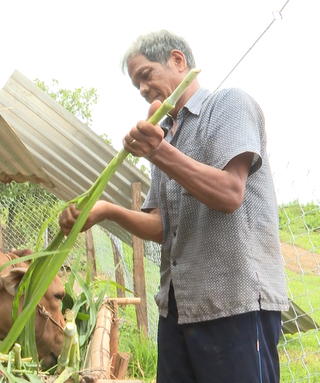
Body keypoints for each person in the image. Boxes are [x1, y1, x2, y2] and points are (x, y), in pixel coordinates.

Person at [59, 30, 288, 383]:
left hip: (234, 302)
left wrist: (159, 153)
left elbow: (230, 193)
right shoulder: (165, 132)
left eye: (146, 75)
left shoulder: (229, 105)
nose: (142, 90)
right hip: (179, 308)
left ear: (178, 61)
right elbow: (161, 226)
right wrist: (106, 210)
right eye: (136, 84)